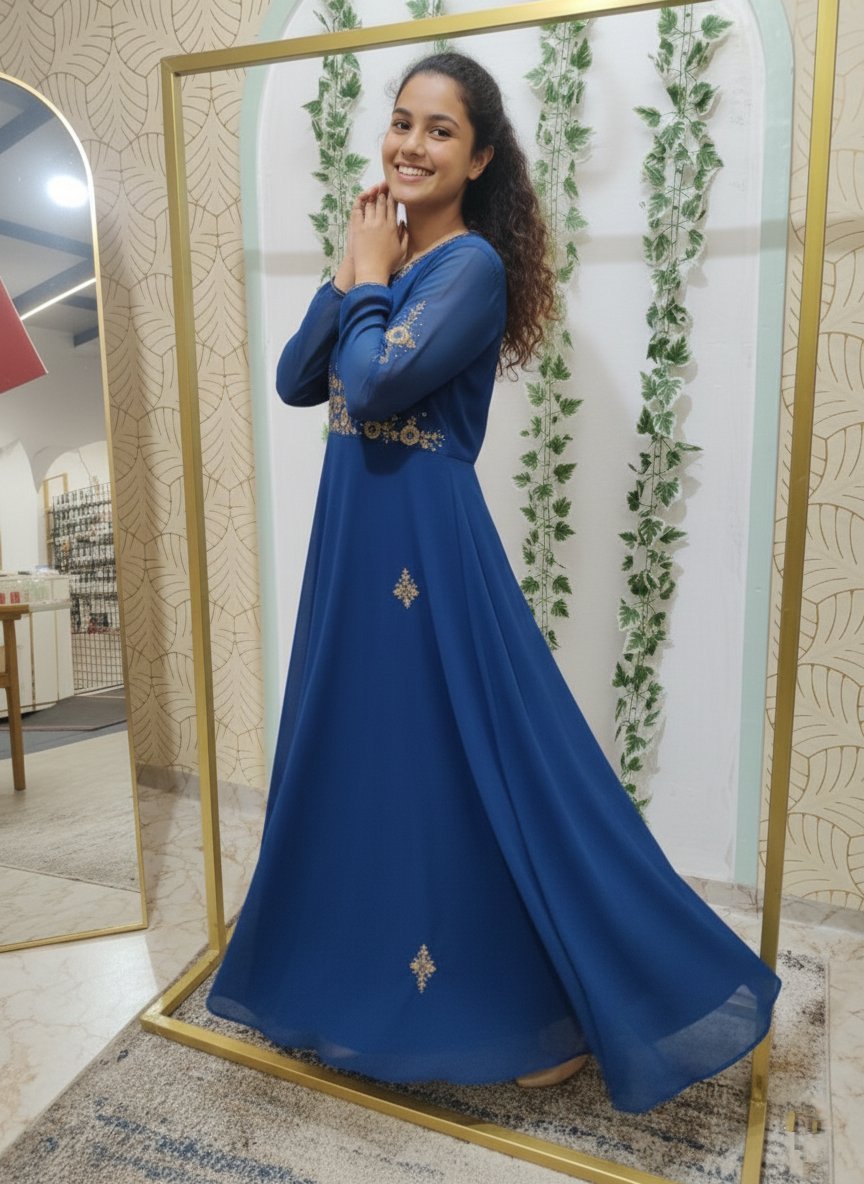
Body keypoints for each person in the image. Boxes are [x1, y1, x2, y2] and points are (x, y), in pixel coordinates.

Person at [206, 50, 780, 1114]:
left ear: (478, 159)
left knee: (467, 765)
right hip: (355, 544)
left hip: (423, 549)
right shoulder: (388, 258)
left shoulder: (469, 268)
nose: (411, 144)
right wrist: (351, 267)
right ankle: (351, 976)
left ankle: (532, 1007)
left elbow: (374, 381)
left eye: (440, 130)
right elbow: (296, 380)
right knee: (366, 757)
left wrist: (368, 277)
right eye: (402, 122)